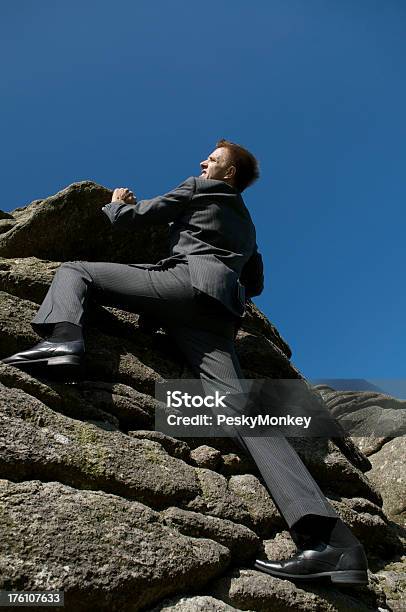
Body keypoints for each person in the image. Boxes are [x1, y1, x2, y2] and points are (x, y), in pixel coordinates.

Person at [2, 139, 368, 585]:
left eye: (212, 159)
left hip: (181, 285)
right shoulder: (249, 228)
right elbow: (255, 281)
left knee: (76, 269)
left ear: (228, 172)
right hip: (217, 317)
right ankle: (331, 542)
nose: (202, 162)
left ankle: (63, 341)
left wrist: (116, 205)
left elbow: (138, 218)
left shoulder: (198, 187)